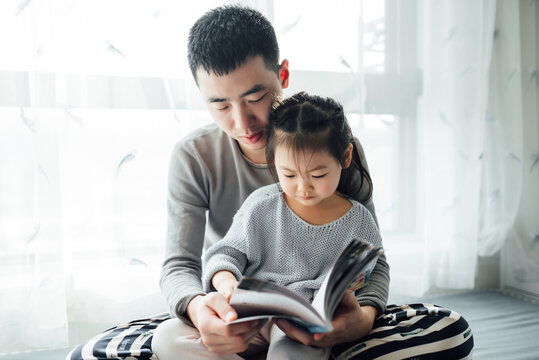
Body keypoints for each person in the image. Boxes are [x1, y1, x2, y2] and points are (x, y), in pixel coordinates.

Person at [66, 5, 473, 360]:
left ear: (283, 74)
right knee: (135, 343)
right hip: (236, 315)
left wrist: (361, 320)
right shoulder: (194, 156)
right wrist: (201, 310)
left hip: (313, 320)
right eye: (220, 104)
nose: (242, 122)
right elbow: (180, 266)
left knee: (450, 328)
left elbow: (372, 260)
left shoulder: (334, 147)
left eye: (255, 96)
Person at [155, 92, 385, 360]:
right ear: (273, 161)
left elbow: (370, 272)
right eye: (288, 174)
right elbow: (223, 254)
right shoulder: (261, 205)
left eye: (318, 175)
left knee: (296, 354)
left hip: (299, 327)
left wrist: (346, 300)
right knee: (168, 336)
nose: (303, 187)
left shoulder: (359, 220)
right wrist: (227, 284)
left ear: (345, 158)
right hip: (248, 315)